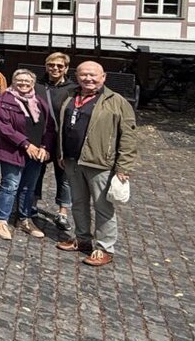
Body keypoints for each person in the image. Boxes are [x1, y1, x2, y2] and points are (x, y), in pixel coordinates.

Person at [56, 61, 137, 267]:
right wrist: (61, 153)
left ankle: (104, 248)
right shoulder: (71, 96)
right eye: (83, 75)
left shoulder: (116, 101)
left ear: (103, 77)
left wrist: (123, 167)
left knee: (103, 208)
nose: (88, 79)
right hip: (73, 160)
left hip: (100, 163)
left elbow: (128, 136)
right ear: (77, 77)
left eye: (93, 75)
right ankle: (82, 239)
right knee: (79, 203)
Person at [0, 69, 56, 240]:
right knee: (10, 185)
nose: (23, 84)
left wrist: (45, 146)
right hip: (14, 151)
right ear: (13, 81)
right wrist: (25, 144)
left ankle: (24, 218)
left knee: (29, 187)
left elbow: (49, 127)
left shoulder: (40, 102)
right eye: (19, 80)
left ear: (33, 83)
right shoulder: (4, 100)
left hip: (36, 153)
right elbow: (4, 128)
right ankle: (2, 219)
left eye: (27, 81)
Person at [34, 51, 76, 230]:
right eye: (51, 65)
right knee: (36, 172)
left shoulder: (73, 89)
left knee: (64, 176)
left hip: (63, 138)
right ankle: (32, 205)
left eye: (60, 66)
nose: (55, 69)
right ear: (46, 66)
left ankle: (63, 213)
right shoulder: (37, 86)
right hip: (40, 136)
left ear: (66, 68)